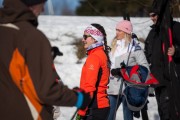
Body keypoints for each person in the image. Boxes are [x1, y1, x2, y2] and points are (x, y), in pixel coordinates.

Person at [0, 0, 91, 120]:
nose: (43, 9)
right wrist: (79, 98)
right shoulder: (31, 37)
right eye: (41, 4)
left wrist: (46, 56)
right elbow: (47, 91)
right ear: (31, 4)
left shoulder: (5, 32)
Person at [107, 20, 150, 120]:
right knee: (109, 116)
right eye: (116, 30)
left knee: (128, 117)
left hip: (129, 88)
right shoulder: (114, 47)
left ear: (126, 32)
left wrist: (124, 71)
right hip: (113, 88)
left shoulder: (135, 49)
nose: (116, 33)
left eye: (119, 30)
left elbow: (145, 69)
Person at [145, 8, 180, 120]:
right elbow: (147, 53)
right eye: (150, 15)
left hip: (171, 80)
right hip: (157, 81)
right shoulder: (153, 32)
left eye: (154, 15)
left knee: (171, 113)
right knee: (162, 113)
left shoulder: (175, 27)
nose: (152, 18)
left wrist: (177, 50)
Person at [76, 23, 111, 120]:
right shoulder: (100, 54)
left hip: (94, 107)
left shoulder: (95, 57)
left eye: (85, 37)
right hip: (99, 106)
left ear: (94, 38)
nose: (83, 39)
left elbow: (89, 87)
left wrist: (82, 111)